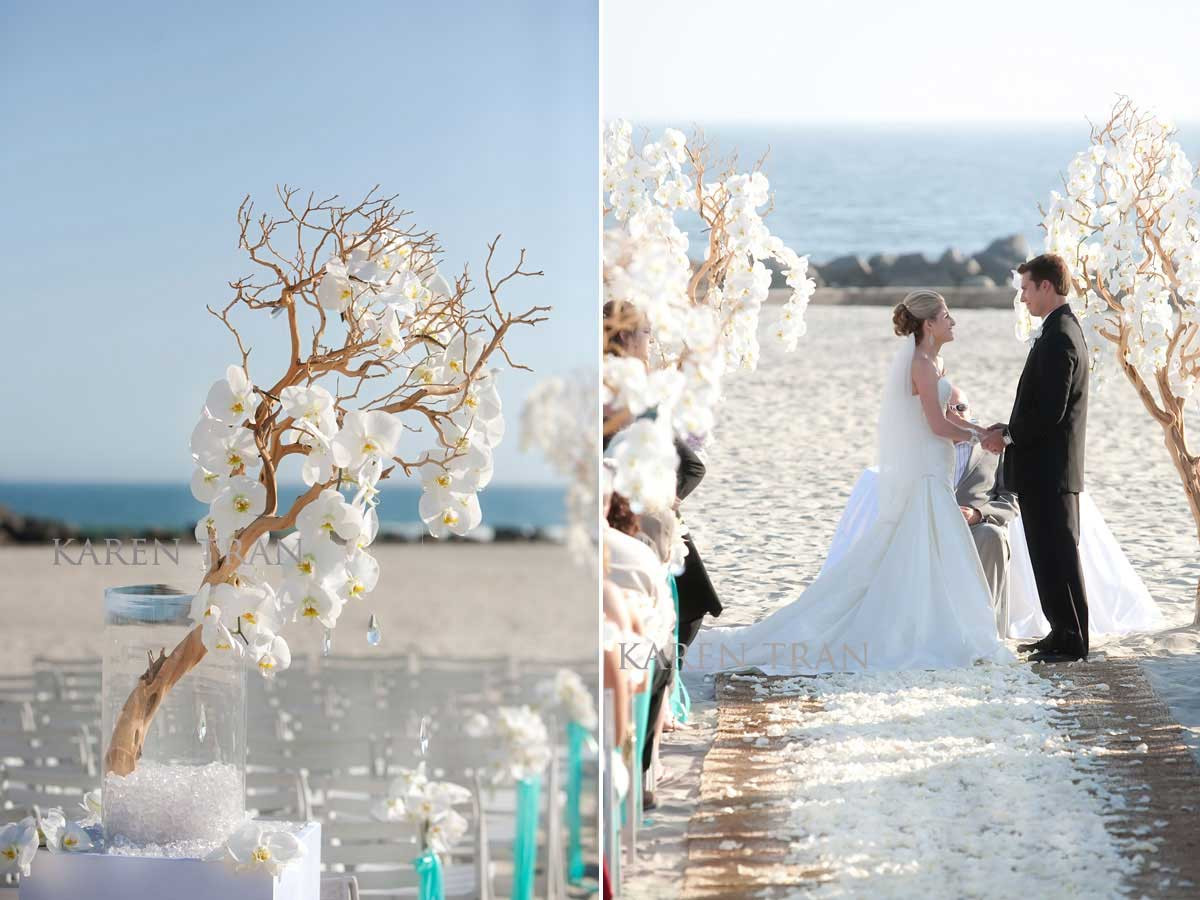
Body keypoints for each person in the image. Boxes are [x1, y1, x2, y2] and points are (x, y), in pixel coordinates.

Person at [695, 290, 1012, 675]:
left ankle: (932, 624)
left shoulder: (936, 361)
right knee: (919, 549)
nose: (953, 321)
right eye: (946, 315)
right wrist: (981, 437)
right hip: (927, 473)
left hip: (936, 469)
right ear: (929, 324)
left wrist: (980, 428)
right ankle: (918, 630)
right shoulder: (922, 364)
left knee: (929, 551)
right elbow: (936, 425)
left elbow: (949, 416)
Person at [983, 254, 1091, 663]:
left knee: (1059, 554)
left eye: (1026, 288)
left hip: (1051, 471)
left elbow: (1050, 411)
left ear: (1047, 287)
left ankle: (1073, 639)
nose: (1023, 297)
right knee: (1047, 555)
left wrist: (1007, 436)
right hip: (1046, 469)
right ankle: (1060, 630)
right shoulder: (1058, 330)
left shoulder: (1061, 336)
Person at [946, 386, 1019, 633]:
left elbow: (1011, 500)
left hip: (975, 529)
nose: (956, 414)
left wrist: (978, 515)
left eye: (961, 408)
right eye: (947, 409)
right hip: (929, 527)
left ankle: (983, 630)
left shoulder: (993, 448)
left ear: (971, 410)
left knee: (994, 536)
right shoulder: (924, 445)